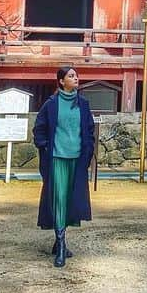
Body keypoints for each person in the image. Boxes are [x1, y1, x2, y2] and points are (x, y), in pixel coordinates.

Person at [33, 65, 95, 267]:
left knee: (70, 199)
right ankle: (60, 246)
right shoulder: (51, 104)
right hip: (57, 157)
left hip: (77, 158)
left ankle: (59, 238)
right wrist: (43, 145)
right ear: (61, 81)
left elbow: (89, 129)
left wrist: (89, 150)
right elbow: (39, 127)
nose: (75, 78)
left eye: (76, 76)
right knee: (58, 199)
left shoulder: (83, 104)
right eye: (71, 76)